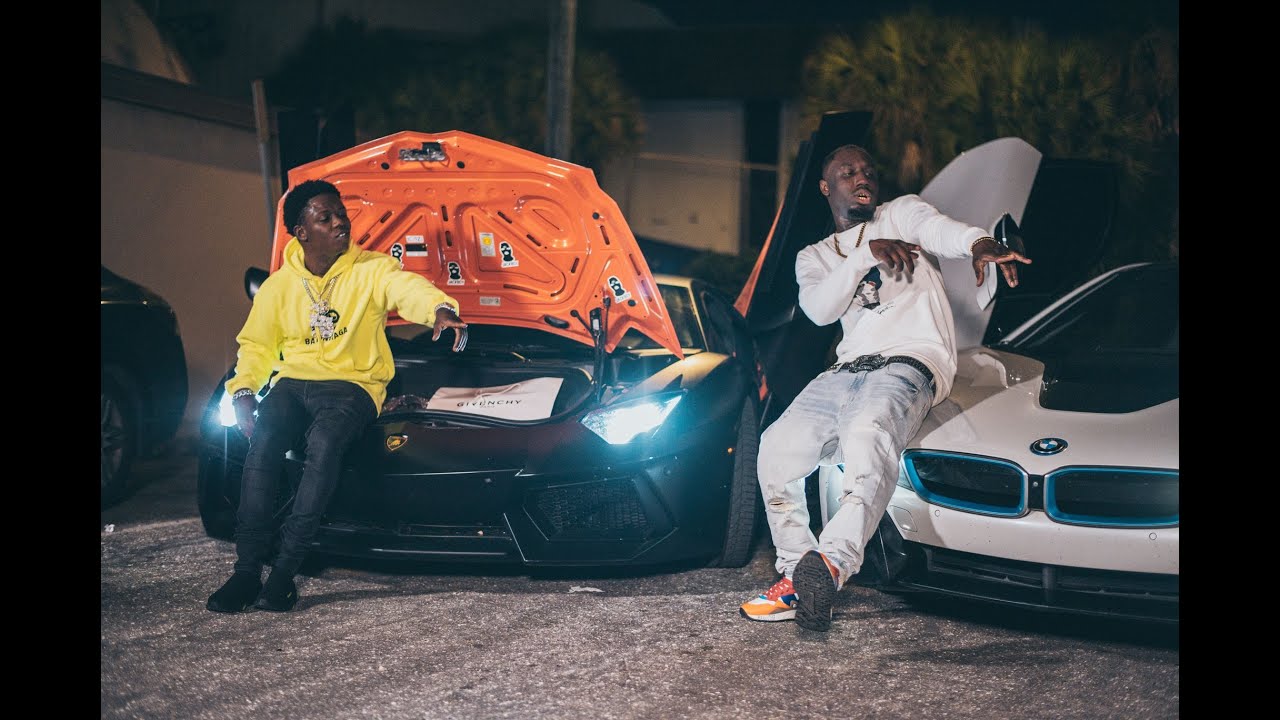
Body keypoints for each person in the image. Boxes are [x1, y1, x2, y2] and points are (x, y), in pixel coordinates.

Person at [739, 144, 1031, 632]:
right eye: (848, 172)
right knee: (775, 449)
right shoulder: (813, 256)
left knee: (867, 435)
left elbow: (939, 229)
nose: (862, 178)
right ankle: (796, 576)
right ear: (825, 187)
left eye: (869, 171)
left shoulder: (900, 214)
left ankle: (831, 563)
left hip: (910, 361)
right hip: (847, 369)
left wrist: (979, 242)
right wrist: (862, 257)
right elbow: (818, 310)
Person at [206, 179, 469, 614]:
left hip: (354, 385)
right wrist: (244, 389)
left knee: (324, 444)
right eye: (325, 218)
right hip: (293, 382)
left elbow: (408, 289)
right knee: (264, 441)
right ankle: (246, 571)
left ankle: (284, 574)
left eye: (340, 215)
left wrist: (440, 309)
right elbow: (256, 347)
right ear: (302, 232)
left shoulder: (372, 269)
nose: (339, 223)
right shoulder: (278, 286)